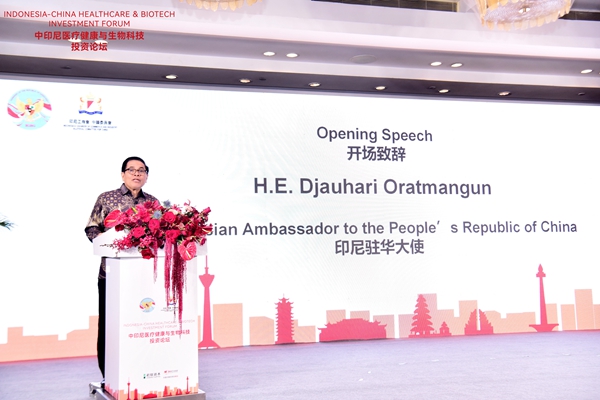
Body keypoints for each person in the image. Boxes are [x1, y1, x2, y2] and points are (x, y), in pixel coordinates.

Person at [85, 156, 158, 382]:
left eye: (141, 170)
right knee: (110, 325)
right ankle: (109, 375)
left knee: (142, 323)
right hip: (112, 274)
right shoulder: (107, 198)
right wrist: (112, 243)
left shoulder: (153, 203)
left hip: (144, 276)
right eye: (131, 170)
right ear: (122, 174)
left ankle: (140, 371)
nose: (136, 174)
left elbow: (159, 234)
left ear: (146, 176)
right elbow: (91, 229)